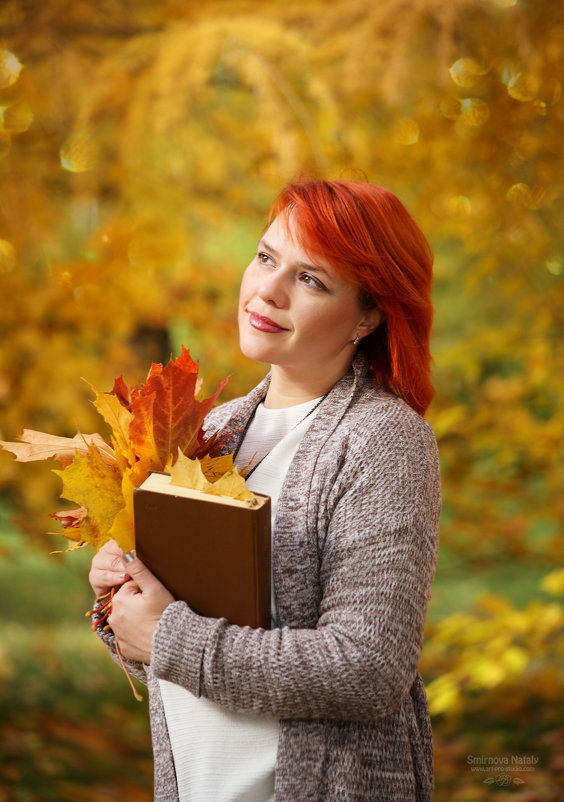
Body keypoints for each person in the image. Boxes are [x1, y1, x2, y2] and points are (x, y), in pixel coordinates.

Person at [89, 179, 441, 802]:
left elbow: (370, 668)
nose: (267, 291)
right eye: (266, 257)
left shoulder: (383, 440)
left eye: (311, 280)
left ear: (368, 315)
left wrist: (168, 635)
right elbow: (174, 647)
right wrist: (123, 605)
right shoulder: (214, 431)